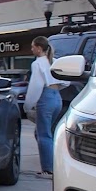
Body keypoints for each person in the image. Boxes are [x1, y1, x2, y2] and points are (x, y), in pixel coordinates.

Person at [24, 36, 66, 178]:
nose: (31, 49)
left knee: (44, 135)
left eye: (33, 47)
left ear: (39, 48)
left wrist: (28, 105)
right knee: (45, 133)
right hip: (57, 97)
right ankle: (55, 162)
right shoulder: (54, 61)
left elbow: (36, 86)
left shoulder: (37, 64)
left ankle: (48, 169)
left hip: (45, 98)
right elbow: (66, 81)